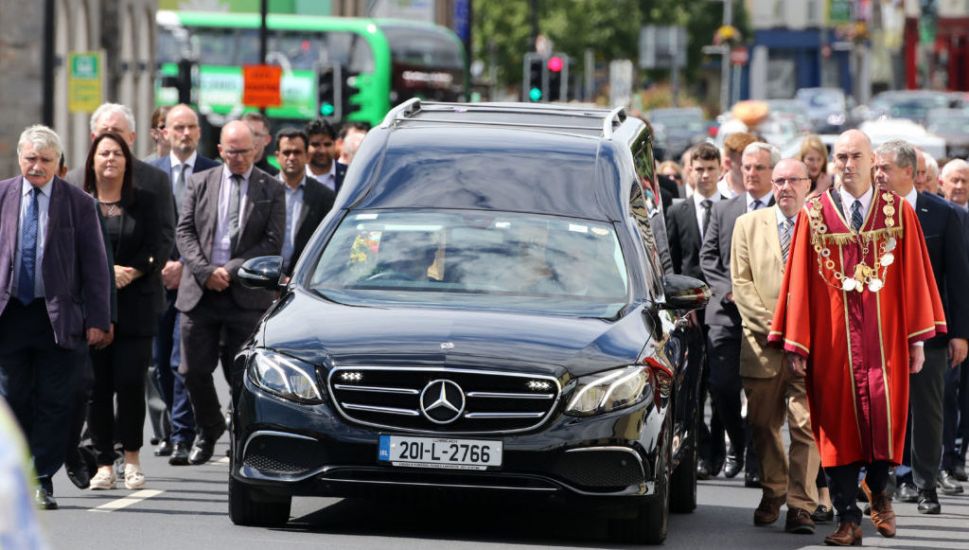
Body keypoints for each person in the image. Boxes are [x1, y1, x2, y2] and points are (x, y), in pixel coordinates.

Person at [769, 129, 947, 545]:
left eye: (855, 157)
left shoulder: (898, 213)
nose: (848, 165)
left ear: (873, 162)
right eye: (841, 157)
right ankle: (848, 516)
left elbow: (916, 278)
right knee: (836, 427)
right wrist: (798, 343)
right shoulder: (814, 214)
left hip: (885, 341)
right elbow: (798, 281)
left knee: (886, 421)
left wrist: (916, 340)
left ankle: (880, 491)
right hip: (833, 344)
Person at [0, 125, 112, 509]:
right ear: (20, 158)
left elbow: (96, 266)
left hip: (58, 317)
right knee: (12, 399)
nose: (37, 167)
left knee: (54, 400)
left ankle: (41, 478)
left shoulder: (79, 203)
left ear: (58, 164)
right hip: (10, 313)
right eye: (31, 158)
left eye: (45, 160)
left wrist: (99, 318)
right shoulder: (2, 195)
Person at [175, 121, 285, 465]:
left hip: (246, 294)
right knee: (191, 370)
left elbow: (272, 241)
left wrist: (232, 269)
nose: (237, 157)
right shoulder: (200, 182)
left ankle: (241, 438)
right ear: (220, 150)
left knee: (244, 374)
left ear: (256, 150)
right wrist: (207, 272)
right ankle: (208, 428)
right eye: (231, 151)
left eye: (244, 151)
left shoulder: (271, 188)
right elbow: (185, 232)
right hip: (201, 292)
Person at [875, 141, 969, 510]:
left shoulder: (942, 214)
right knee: (881, 408)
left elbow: (959, 279)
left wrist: (960, 333)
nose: (878, 175)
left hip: (928, 331)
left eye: (885, 169)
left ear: (909, 173)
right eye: (876, 168)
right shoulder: (866, 213)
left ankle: (925, 483)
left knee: (928, 409)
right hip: (879, 331)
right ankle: (891, 479)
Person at [731, 158, 820, 534]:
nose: (785, 187)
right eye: (779, 180)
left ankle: (801, 504)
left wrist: (802, 338)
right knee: (763, 424)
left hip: (809, 351)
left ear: (808, 184)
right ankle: (774, 489)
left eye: (793, 180)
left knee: (806, 428)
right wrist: (779, 332)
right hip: (762, 347)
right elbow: (742, 286)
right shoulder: (748, 225)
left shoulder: (822, 226)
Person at [81, 132, 164, 490]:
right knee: (96, 387)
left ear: (127, 161)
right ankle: (103, 463)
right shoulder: (81, 202)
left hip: (135, 304)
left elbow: (159, 243)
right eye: (104, 154)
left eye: (117, 153)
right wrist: (103, 273)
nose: (110, 159)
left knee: (130, 383)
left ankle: (131, 456)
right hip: (95, 307)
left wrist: (133, 270)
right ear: (93, 161)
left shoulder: (144, 201)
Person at [700, 142, 777, 487]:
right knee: (722, 386)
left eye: (759, 168)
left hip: (768, 317)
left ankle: (756, 460)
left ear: (772, 172)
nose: (751, 173)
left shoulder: (783, 211)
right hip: (727, 313)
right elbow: (709, 258)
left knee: (762, 394)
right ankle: (740, 439)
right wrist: (730, 290)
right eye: (746, 167)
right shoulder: (724, 210)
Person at [149, 104, 219, 464]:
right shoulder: (150, 171)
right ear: (165, 132)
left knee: (182, 359)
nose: (185, 134)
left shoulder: (213, 172)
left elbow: (215, 232)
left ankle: (182, 434)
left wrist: (186, 266)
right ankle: (176, 429)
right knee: (160, 360)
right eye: (178, 127)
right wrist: (158, 265)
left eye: (191, 127)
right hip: (156, 280)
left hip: (193, 282)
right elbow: (143, 228)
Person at [666, 143, 726, 479]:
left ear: (720, 170)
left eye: (709, 169)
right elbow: (673, 261)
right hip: (689, 311)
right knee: (693, 385)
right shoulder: (678, 212)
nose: (704, 175)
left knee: (721, 384)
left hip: (723, 310)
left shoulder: (732, 209)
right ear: (689, 171)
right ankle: (700, 450)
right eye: (698, 169)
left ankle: (719, 448)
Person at [940, 159, 969, 483]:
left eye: (964, 181)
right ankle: (946, 459)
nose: (959, 186)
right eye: (954, 181)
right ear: (942, 184)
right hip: (950, 323)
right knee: (948, 390)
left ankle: (958, 454)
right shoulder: (939, 215)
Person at [275, 127, 335, 276]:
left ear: (307, 156)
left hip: (304, 279)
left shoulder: (325, 196)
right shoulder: (263, 190)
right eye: (286, 152)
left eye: (297, 152)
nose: (291, 157)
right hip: (266, 281)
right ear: (277, 156)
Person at [717, 132, 758, 199]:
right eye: (746, 167)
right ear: (727, 163)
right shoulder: (716, 194)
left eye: (758, 167)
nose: (752, 172)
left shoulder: (766, 192)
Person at [304, 118, 338, 191]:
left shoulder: (348, 175)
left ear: (335, 145)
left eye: (327, 144)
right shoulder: (295, 176)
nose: (322, 151)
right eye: (316, 145)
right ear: (305, 146)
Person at [242, 111, 279, 176]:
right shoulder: (224, 172)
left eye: (255, 134)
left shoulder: (276, 177)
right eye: (246, 133)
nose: (250, 139)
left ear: (267, 140)